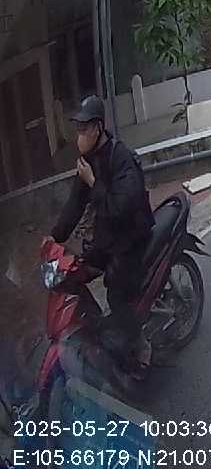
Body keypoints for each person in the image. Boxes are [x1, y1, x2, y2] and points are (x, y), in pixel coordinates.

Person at [47, 95, 154, 373]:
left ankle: (139, 344)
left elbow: (121, 208)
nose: (78, 136)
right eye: (77, 130)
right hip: (108, 238)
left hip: (131, 237)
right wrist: (55, 236)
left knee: (116, 293)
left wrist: (93, 182)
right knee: (74, 274)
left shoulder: (122, 158)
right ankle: (99, 334)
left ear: (97, 128)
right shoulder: (88, 161)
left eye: (83, 130)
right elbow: (75, 203)